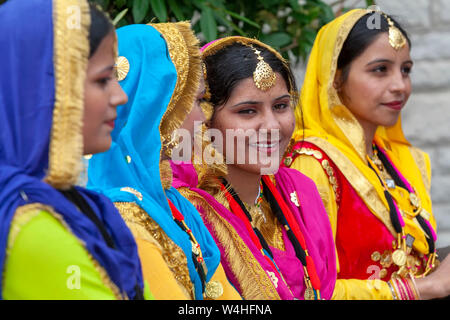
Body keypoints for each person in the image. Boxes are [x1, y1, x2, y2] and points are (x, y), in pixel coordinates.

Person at [284, 8, 450, 299]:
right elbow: (311, 290)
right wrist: (423, 288)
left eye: (405, 70)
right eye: (380, 69)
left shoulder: (400, 160)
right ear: (335, 78)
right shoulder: (312, 166)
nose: (400, 85)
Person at [0, 0, 149, 299]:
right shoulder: (30, 223)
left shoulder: (82, 203)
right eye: (103, 79)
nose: (120, 97)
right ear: (47, 88)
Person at [170, 36, 338, 300]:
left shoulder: (301, 191)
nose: (272, 126)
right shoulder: (189, 212)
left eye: (281, 106)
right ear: (206, 120)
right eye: (248, 111)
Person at [87, 22, 241, 300]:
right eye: (194, 101)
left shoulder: (172, 202)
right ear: (154, 110)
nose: (203, 117)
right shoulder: (121, 215)